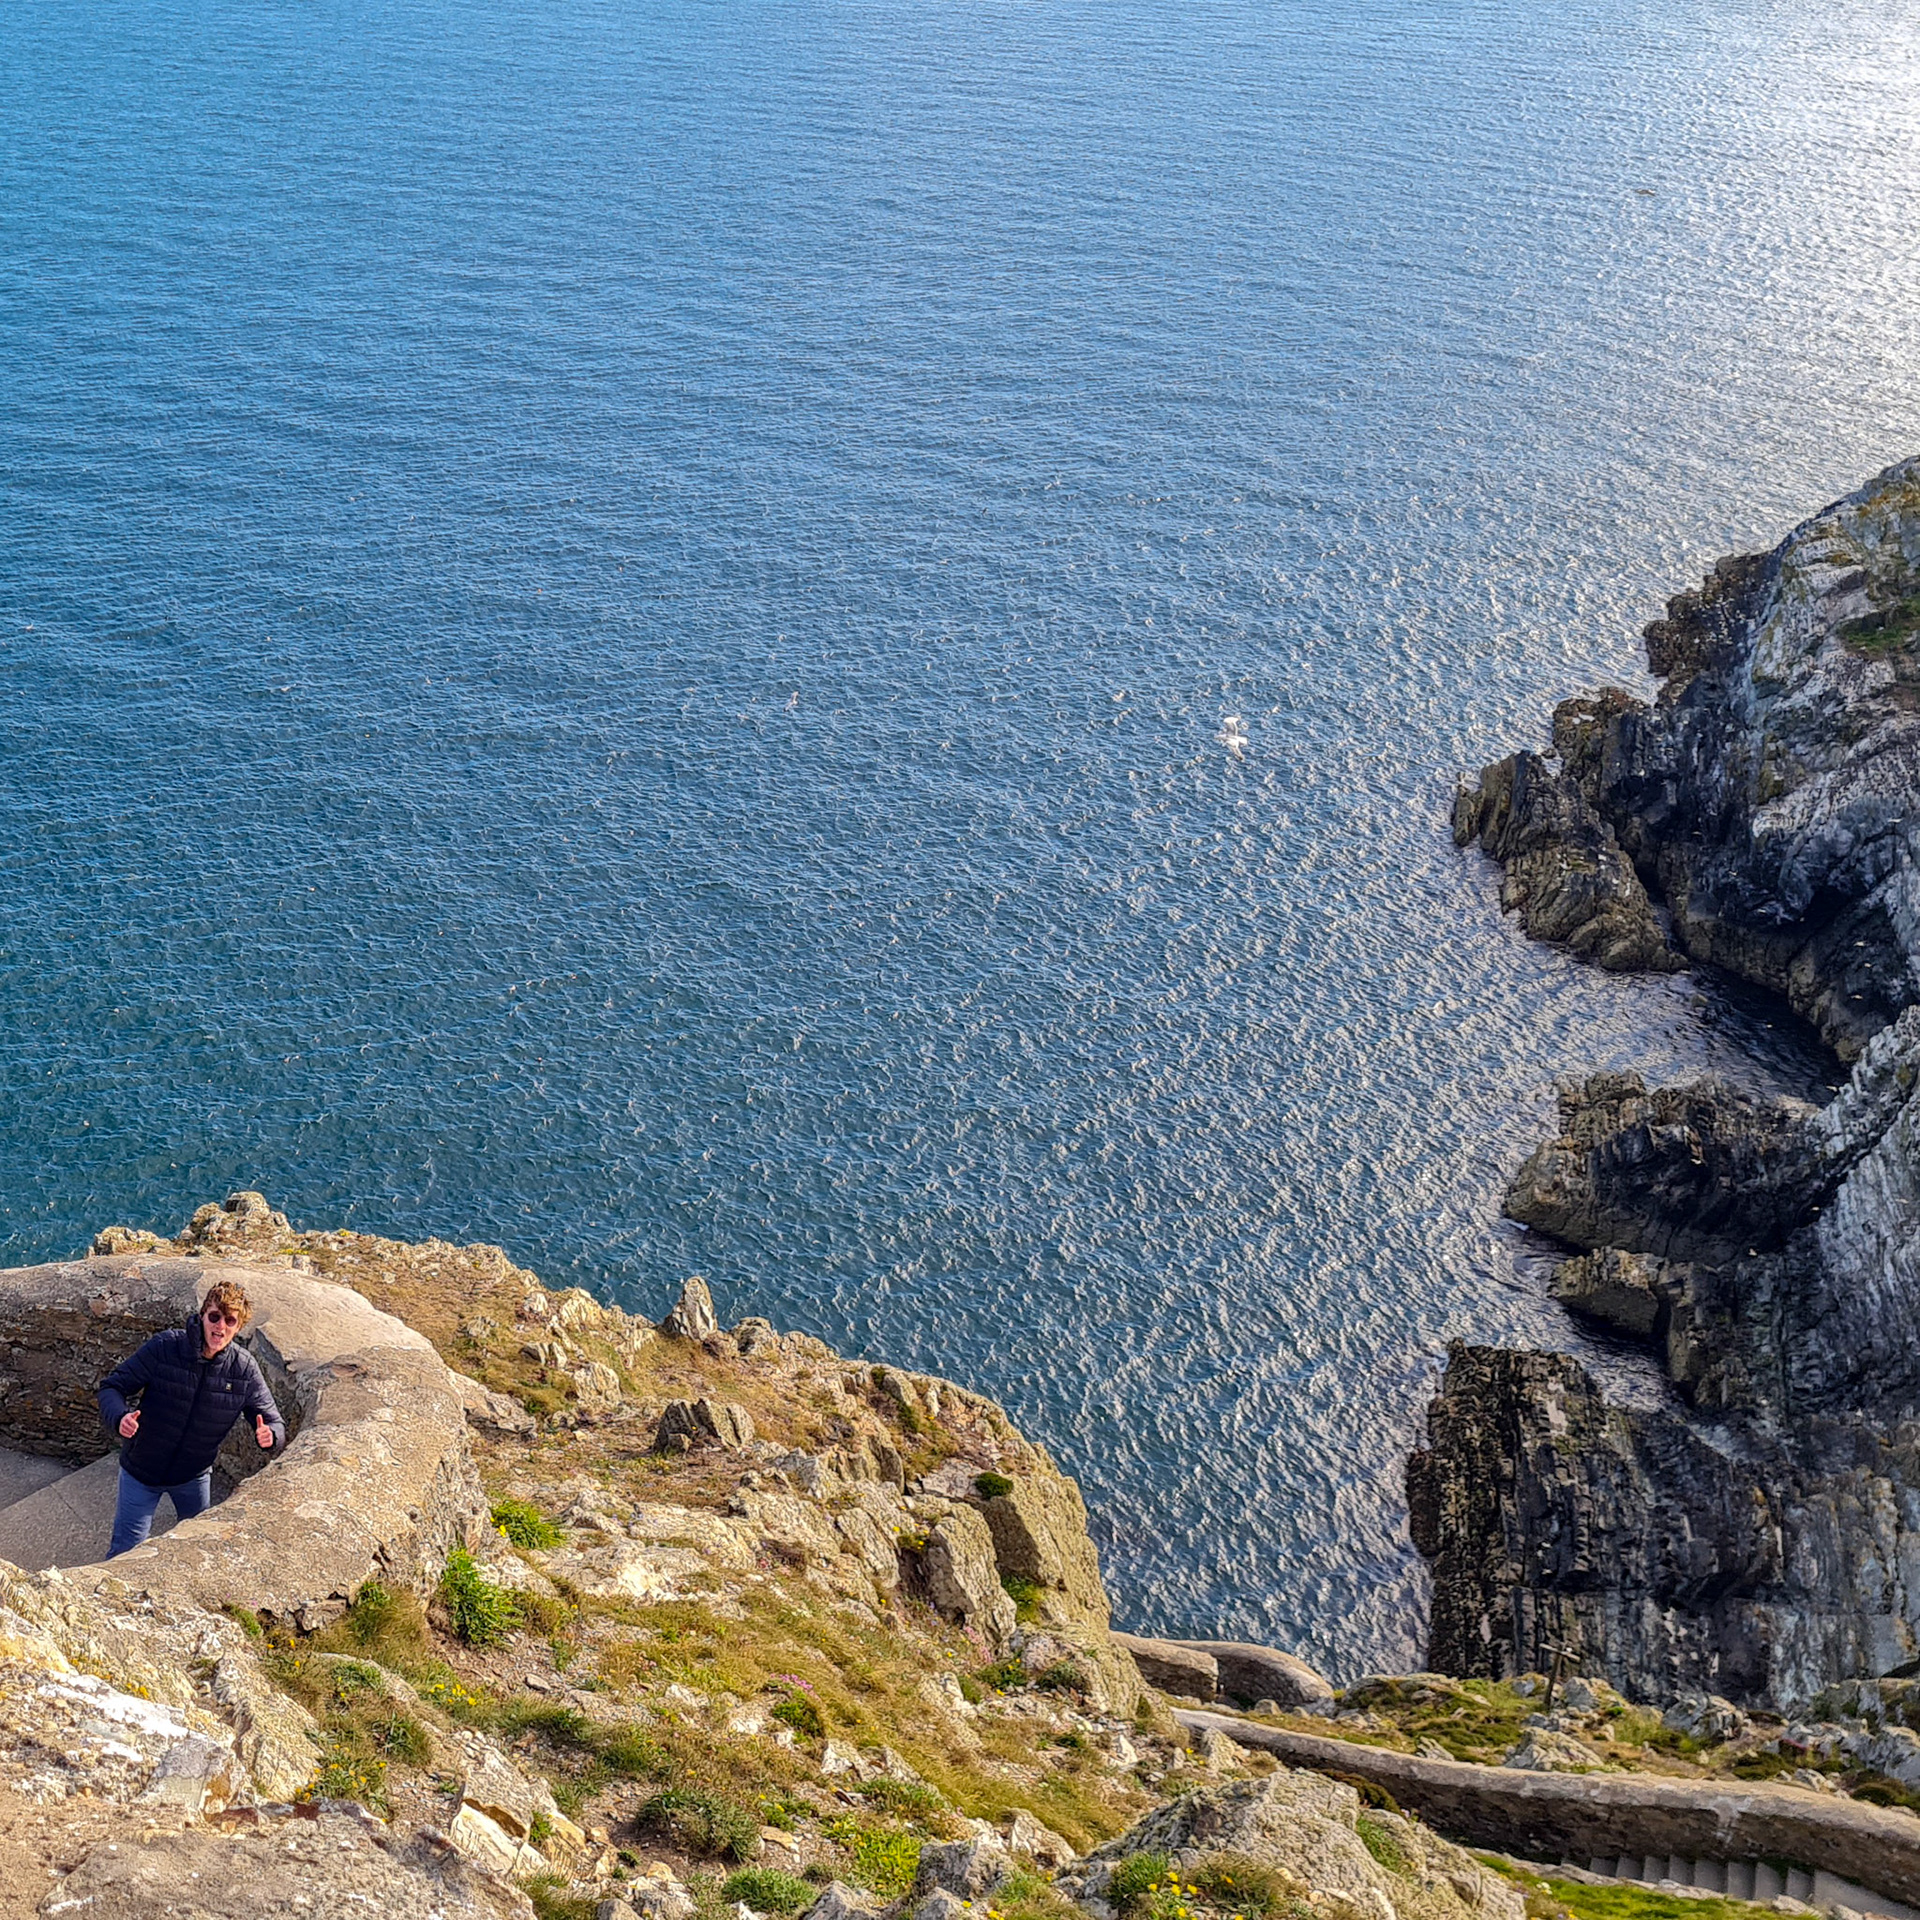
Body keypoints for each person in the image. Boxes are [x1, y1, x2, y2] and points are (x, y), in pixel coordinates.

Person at [98, 1279, 286, 1558]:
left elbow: (274, 1422)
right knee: (125, 1553)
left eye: (230, 1321)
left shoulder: (243, 1370)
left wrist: (270, 1436)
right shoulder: (165, 1347)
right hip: (141, 1471)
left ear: (238, 1327)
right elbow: (111, 1387)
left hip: (193, 1477)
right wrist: (120, 1417)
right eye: (214, 1317)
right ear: (202, 1315)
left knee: (195, 1550)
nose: (220, 1326)